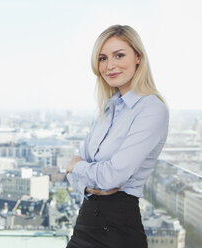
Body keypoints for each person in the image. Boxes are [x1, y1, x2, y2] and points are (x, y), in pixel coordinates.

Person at [66, 25, 169, 248]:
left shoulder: (152, 110)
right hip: (85, 223)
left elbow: (111, 176)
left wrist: (79, 168)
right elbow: (73, 174)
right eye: (102, 58)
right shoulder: (107, 109)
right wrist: (87, 183)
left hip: (118, 230)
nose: (109, 65)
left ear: (138, 57)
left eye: (119, 55)